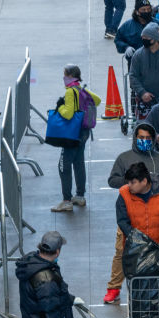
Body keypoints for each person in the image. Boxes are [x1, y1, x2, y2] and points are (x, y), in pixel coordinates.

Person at [105, 125, 159, 303]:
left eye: (148, 138)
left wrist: (154, 186)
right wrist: (132, 182)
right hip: (132, 212)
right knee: (121, 252)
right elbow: (112, 180)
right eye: (141, 137)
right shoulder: (124, 158)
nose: (145, 141)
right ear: (135, 138)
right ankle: (114, 287)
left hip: (156, 212)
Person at [50, 65, 100, 212]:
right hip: (84, 132)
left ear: (71, 76)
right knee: (78, 163)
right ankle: (80, 196)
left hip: (72, 134)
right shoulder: (80, 89)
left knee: (63, 166)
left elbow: (68, 114)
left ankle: (66, 200)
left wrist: (60, 107)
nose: (63, 78)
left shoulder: (71, 92)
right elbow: (97, 100)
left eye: (65, 75)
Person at [116, 162, 159, 248]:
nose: (129, 185)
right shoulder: (124, 194)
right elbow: (123, 222)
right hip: (136, 248)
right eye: (128, 182)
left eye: (133, 182)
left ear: (144, 181)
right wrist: (138, 240)